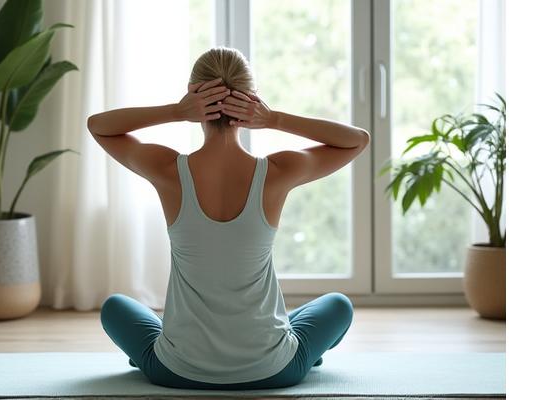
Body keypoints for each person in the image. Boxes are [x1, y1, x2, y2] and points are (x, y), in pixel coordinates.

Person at [88, 47, 370, 389]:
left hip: (177, 371)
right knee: (338, 305)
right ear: (252, 101)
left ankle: (173, 348)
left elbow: (99, 126)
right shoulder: (278, 172)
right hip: (274, 371)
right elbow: (356, 141)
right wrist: (275, 119)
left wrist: (176, 112)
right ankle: (300, 352)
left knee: (115, 307)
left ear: (195, 98)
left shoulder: (167, 170)